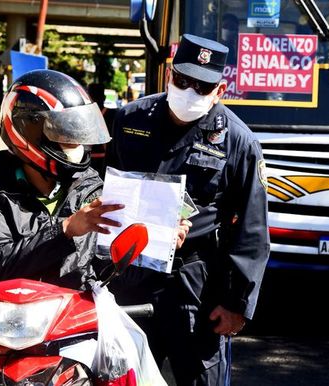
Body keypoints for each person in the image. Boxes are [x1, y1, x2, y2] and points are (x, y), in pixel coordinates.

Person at [106, 34, 270, 385]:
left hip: (195, 283)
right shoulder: (130, 120)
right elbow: (107, 189)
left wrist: (237, 304)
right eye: (182, 80)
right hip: (133, 274)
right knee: (123, 374)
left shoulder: (237, 140)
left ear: (220, 90)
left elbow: (252, 228)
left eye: (202, 85)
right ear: (169, 74)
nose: (189, 91)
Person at [0, 69, 123, 289]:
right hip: (7, 312)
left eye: (77, 135)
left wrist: (154, 244)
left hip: (71, 315)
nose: (75, 145)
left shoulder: (89, 185)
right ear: (29, 129)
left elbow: (106, 270)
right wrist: (64, 230)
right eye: (64, 134)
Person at [87, 83, 118, 176]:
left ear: (89, 97)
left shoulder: (84, 114)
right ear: (104, 96)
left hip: (89, 161)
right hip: (108, 160)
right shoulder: (114, 114)